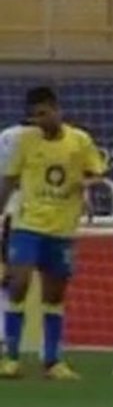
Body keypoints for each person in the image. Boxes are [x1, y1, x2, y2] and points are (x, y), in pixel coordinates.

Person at [0, 87, 105, 380]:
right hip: (28, 225)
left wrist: (85, 186)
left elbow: (95, 171)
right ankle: (10, 358)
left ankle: (52, 361)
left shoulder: (79, 141)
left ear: (56, 109)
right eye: (34, 116)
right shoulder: (25, 141)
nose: (40, 121)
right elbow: (9, 179)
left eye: (44, 114)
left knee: (54, 294)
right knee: (18, 283)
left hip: (62, 229)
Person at [0, 117, 30, 354]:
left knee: (9, 276)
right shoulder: (41, 137)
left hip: (13, 212)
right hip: (22, 212)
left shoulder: (7, 135)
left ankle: (5, 337)